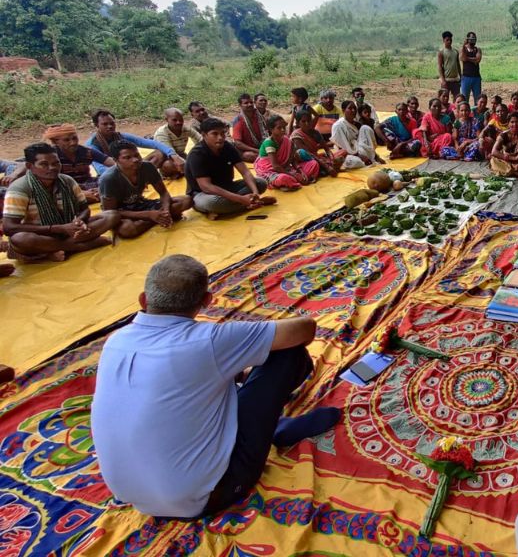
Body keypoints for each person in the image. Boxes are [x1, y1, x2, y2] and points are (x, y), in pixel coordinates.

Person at [92, 255, 340, 519]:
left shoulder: (116, 341)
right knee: (286, 356)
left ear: (143, 299)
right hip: (206, 495)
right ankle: (271, 430)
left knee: (211, 380)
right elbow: (304, 330)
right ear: (207, 302)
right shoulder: (208, 340)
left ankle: (256, 425)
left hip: (134, 497)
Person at [2, 142, 120, 262]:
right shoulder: (20, 188)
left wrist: (80, 222)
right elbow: (9, 227)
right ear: (29, 166)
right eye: (44, 164)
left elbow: (84, 209)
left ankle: (54, 250)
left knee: (112, 215)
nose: (52, 168)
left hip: (70, 230)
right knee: (20, 239)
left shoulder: (67, 180)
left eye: (56, 163)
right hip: (41, 235)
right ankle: (80, 245)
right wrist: (59, 228)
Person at [99, 140, 193, 238]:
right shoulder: (109, 179)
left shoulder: (147, 167)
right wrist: (149, 215)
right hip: (122, 212)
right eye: (127, 157)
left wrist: (166, 211)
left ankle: (159, 218)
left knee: (186, 200)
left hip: (140, 204)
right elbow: (111, 212)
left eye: (137, 155)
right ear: (116, 160)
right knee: (127, 229)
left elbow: (163, 192)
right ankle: (155, 219)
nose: (135, 160)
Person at [186, 118, 275, 216]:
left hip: (228, 187)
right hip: (203, 194)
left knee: (260, 183)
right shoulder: (197, 154)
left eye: (222, 133)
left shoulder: (227, 147)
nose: (220, 137)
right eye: (215, 134)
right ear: (204, 135)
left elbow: (245, 172)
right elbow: (206, 187)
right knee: (212, 203)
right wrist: (240, 199)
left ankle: (247, 202)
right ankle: (249, 204)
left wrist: (255, 193)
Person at [87, 109, 181, 178]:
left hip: (133, 168)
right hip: (115, 174)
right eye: (105, 124)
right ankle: (142, 178)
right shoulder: (93, 145)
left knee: (160, 153)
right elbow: (101, 169)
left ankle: (140, 177)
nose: (110, 126)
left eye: (112, 123)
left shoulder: (120, 136)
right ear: (96, 125)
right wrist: (125, 171)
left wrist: (172, 154)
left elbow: (152, 143)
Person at [43, 123, 114, 202]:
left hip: (88, 185)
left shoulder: (86, 152)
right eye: (67, 140)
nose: (73, 142)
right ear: (55, 142)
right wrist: (80, 193)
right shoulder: (50, 156)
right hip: (64, 188)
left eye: (75, 138)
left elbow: (113, 163)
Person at [254, 115, 320, 191]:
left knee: (313, 164)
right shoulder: (269, 143)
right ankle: (289, 182)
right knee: (283, 178)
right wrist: (295, 175)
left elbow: (292, 160)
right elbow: (276, 167)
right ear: (271, 129)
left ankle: (292, 183)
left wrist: (300, 171)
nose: (283, 130)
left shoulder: (287, 140)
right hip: (270, 171)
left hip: (285, 168)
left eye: (284, 127)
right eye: (279, 128)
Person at [290, 108, 340, 177]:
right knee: (313, 163)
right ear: (298, 123)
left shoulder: (315, 133)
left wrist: (332, 158)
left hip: (317, 157)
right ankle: (323, 169)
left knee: (341, 155)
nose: (307, 123)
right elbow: (308, 154)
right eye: (303, 121)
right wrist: (327, 167)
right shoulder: (296, 136)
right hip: (304, 161)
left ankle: (324, 169)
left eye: (309, 121)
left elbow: (327, 149)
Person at [330, 100, 380, 169]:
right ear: (343, 110)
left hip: (359, 150)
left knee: (366, 128)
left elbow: (362, 141)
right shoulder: (338, 126)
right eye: (350, 108)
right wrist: (359, 156)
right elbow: (342, 147)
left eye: (354, 108)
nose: (353, 110)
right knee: (355, 162)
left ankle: (372, 157)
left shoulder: (357, 124)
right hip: (346, 154)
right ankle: (367, 159)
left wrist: (377, 156)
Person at [230, 93, 268, 163]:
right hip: (247, 150)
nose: (250, 104)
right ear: (240, 105)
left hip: (261, 146)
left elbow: (267, 132)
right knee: (249, 155)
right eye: (246, 103)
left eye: (251, 102)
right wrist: (256, 150)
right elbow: (238, 143)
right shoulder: (238, 120)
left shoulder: (259, 116)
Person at [460, 31, 483, 103]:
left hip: (476, 77)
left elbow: (477, 60)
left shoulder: (478, 49)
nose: (473, 40)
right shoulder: (464, 49)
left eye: (474, 38)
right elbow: (462, 58)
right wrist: (464, 45)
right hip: (466, 77)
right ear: (467, 39)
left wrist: (467, 58)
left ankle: (476, 114)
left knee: (477, 99)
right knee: (464, 99)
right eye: (471, 38)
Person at [437, 30, 461, 97]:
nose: (449, 41)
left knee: (457, 98)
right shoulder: (441, 52)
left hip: (455, 80)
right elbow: (439, 66)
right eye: (447, 40)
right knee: (444, 97)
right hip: (446, 80)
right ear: (443, 40)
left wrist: (461, 77)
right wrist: (443, 80)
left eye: (450, 40)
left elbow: (458, 64)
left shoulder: (456, 51)